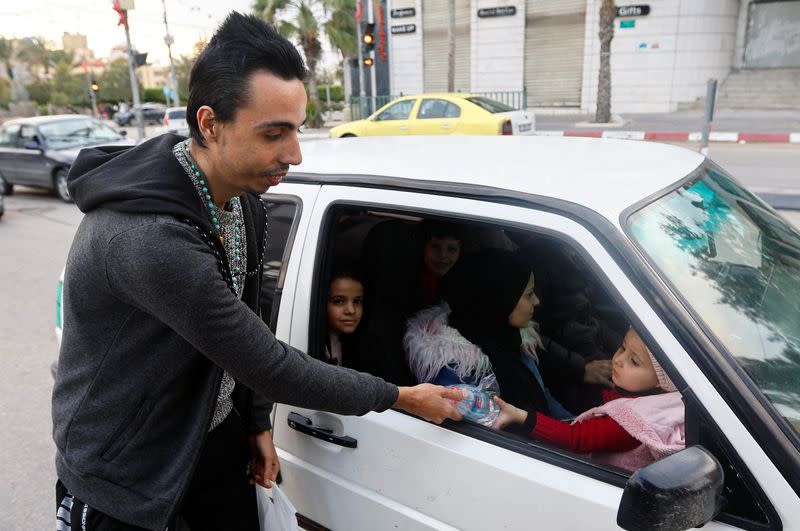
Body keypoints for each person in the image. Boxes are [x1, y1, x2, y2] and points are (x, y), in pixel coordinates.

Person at [52, 12, 462, 531]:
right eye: (273, 134)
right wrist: (400, 397)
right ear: (209, 124)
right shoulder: (147, 239)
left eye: (296, 130)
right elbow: (268, 362)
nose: (293, 153)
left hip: (211, 434)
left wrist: (255, 422)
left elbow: (252, 322)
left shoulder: (244, 200)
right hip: (128, 473)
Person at [405, 249, 610, 421]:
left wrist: (573, 430)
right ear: (498, 300)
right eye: (529, 294)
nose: (537, 301)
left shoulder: (514, 341)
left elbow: (544, 398)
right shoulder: (458, 375)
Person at [492, 327, 685, 472]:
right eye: (622, 347)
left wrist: (519, 415)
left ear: (661, 382)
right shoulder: (653, 401)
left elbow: (575, 438)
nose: (618, 359)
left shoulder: (632, 422)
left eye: (634, 361)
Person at [324, 264, 364, 366]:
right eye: (339, 301)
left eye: (357, 301)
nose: (351, 310)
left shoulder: (364, 347)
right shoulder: (311, 343)